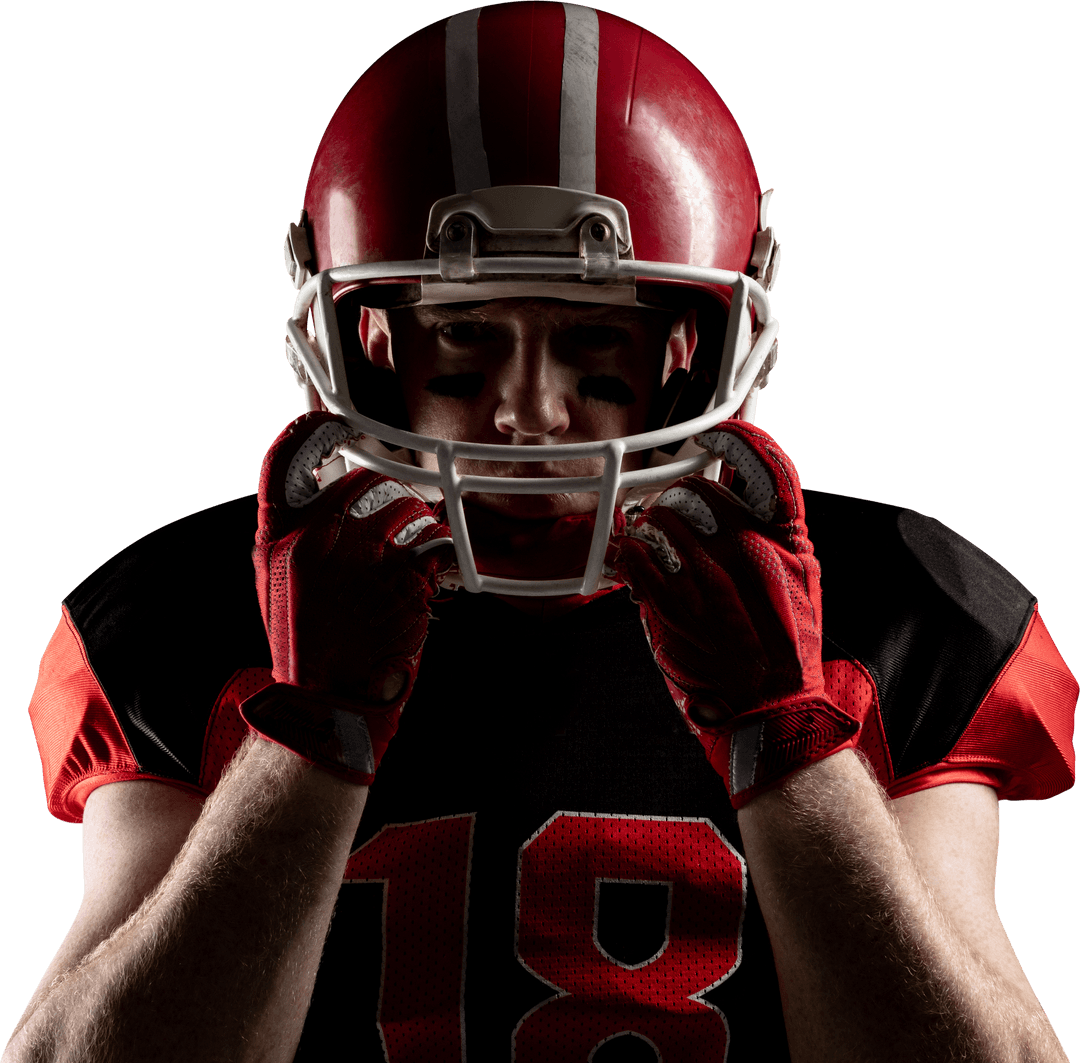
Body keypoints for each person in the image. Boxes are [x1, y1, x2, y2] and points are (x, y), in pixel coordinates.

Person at [5, 4, 1076, 1062]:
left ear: (689, 347)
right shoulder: (189, 610)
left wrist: (787, 735)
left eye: (596, 339)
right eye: (465, 334)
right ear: (368, 337)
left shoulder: (891, 611)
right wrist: (309, 734)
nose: (529, 411)